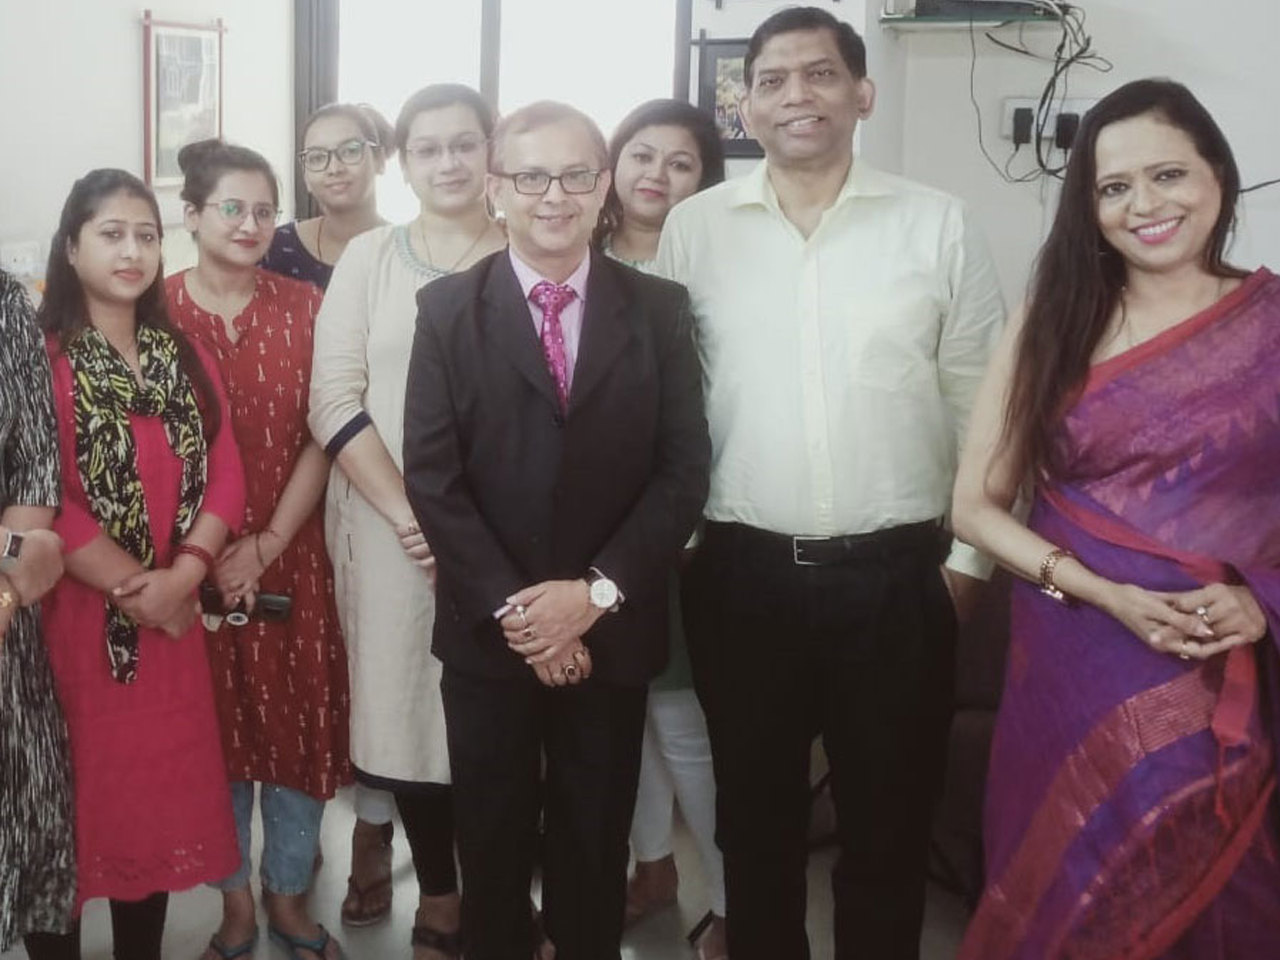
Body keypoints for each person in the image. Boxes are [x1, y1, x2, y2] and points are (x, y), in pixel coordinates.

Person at [656, 8, 1006, 958]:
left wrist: (969, 567)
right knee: (754, 827)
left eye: (819, 74)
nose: (795, 96)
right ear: (745, 105)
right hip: (741, 578)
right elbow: (674, 401)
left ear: (863, 93)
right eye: (771, 80)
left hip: (901, 580)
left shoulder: (938, 225)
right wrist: (686, 550)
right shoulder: (695, 230)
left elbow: (986, 408)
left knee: (888, 832)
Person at [953, 79, 1280, 959]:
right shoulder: (1054, 323)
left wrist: (1259, 601)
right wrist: (1106, 594)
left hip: (1225, 674)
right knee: (1072, 894)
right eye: (1114, 187)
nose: (1145, 206)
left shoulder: (1273, 324)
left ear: (1218, 175)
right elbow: (974, 506)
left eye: (1168, 174)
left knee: (1225, 896)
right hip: (1077, 669)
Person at [402, 100, 711, 960]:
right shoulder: (446, 310)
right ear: (496, 188)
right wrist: (526, 615)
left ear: (603, 185)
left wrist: (594, 597)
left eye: (576, 175)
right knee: (491, 841)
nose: (554, 195)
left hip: (612, 625)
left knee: (593, 841)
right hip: (489, 631)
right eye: (531, 176)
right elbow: (434, 479)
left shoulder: (657, 309)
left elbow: (683, 472)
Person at [308, 83, 506, 960]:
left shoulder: (531, 245)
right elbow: (332, 397)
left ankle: (503, 892)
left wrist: (469, 529)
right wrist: (410, 518)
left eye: (465, 143)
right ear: (404, 162)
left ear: (493, 150)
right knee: (409, 717)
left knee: (504, 719)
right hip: (389, 530)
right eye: (428, 148)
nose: (448, 162)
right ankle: (443, 897)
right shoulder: (371, 259)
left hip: (511, 534)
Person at [25, 168, 243, 960]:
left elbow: (226, 469)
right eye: (111, 234)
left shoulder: (182, 354)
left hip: (169, 626)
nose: (132, 251)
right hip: (69, 626)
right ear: (71, 247)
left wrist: (183, 577)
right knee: (65, 816)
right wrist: (134, 588)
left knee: (148, 816)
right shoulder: (41, 360)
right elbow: (39, 493)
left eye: (147, 236)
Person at [164, 138, 351, 960]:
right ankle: (234, 905)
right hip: (186, 562)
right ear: (191, 214)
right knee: (213, 736)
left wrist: (267, 544)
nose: (249, 224)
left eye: (264, 210)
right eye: (231, 208)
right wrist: (208, 554)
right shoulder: (155, 310)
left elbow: (325, 430)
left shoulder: (310, 306)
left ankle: (288, 897)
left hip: (297, 551)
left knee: (299, 729)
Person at [593, 98, 729, 960]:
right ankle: (651, 869)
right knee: (622, 711)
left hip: (684, 527)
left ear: (705, 180)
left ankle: (730, 900)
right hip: (589, 531)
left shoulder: (719, 265)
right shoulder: (579, 255)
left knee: (682, 721)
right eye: (642, 154)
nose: (656, 175)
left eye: (681, 163)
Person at [0, 269, 75, 952]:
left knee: (31, 823)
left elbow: (34, 463)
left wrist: (7, 587)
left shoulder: (5, 303)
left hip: (6, 627)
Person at [260, 102, 392, 290]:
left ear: (379, 160)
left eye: (350, 151)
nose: (334, 168)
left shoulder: (409, 253)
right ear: (305, 175)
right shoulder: (273, 248)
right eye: (317, 157)